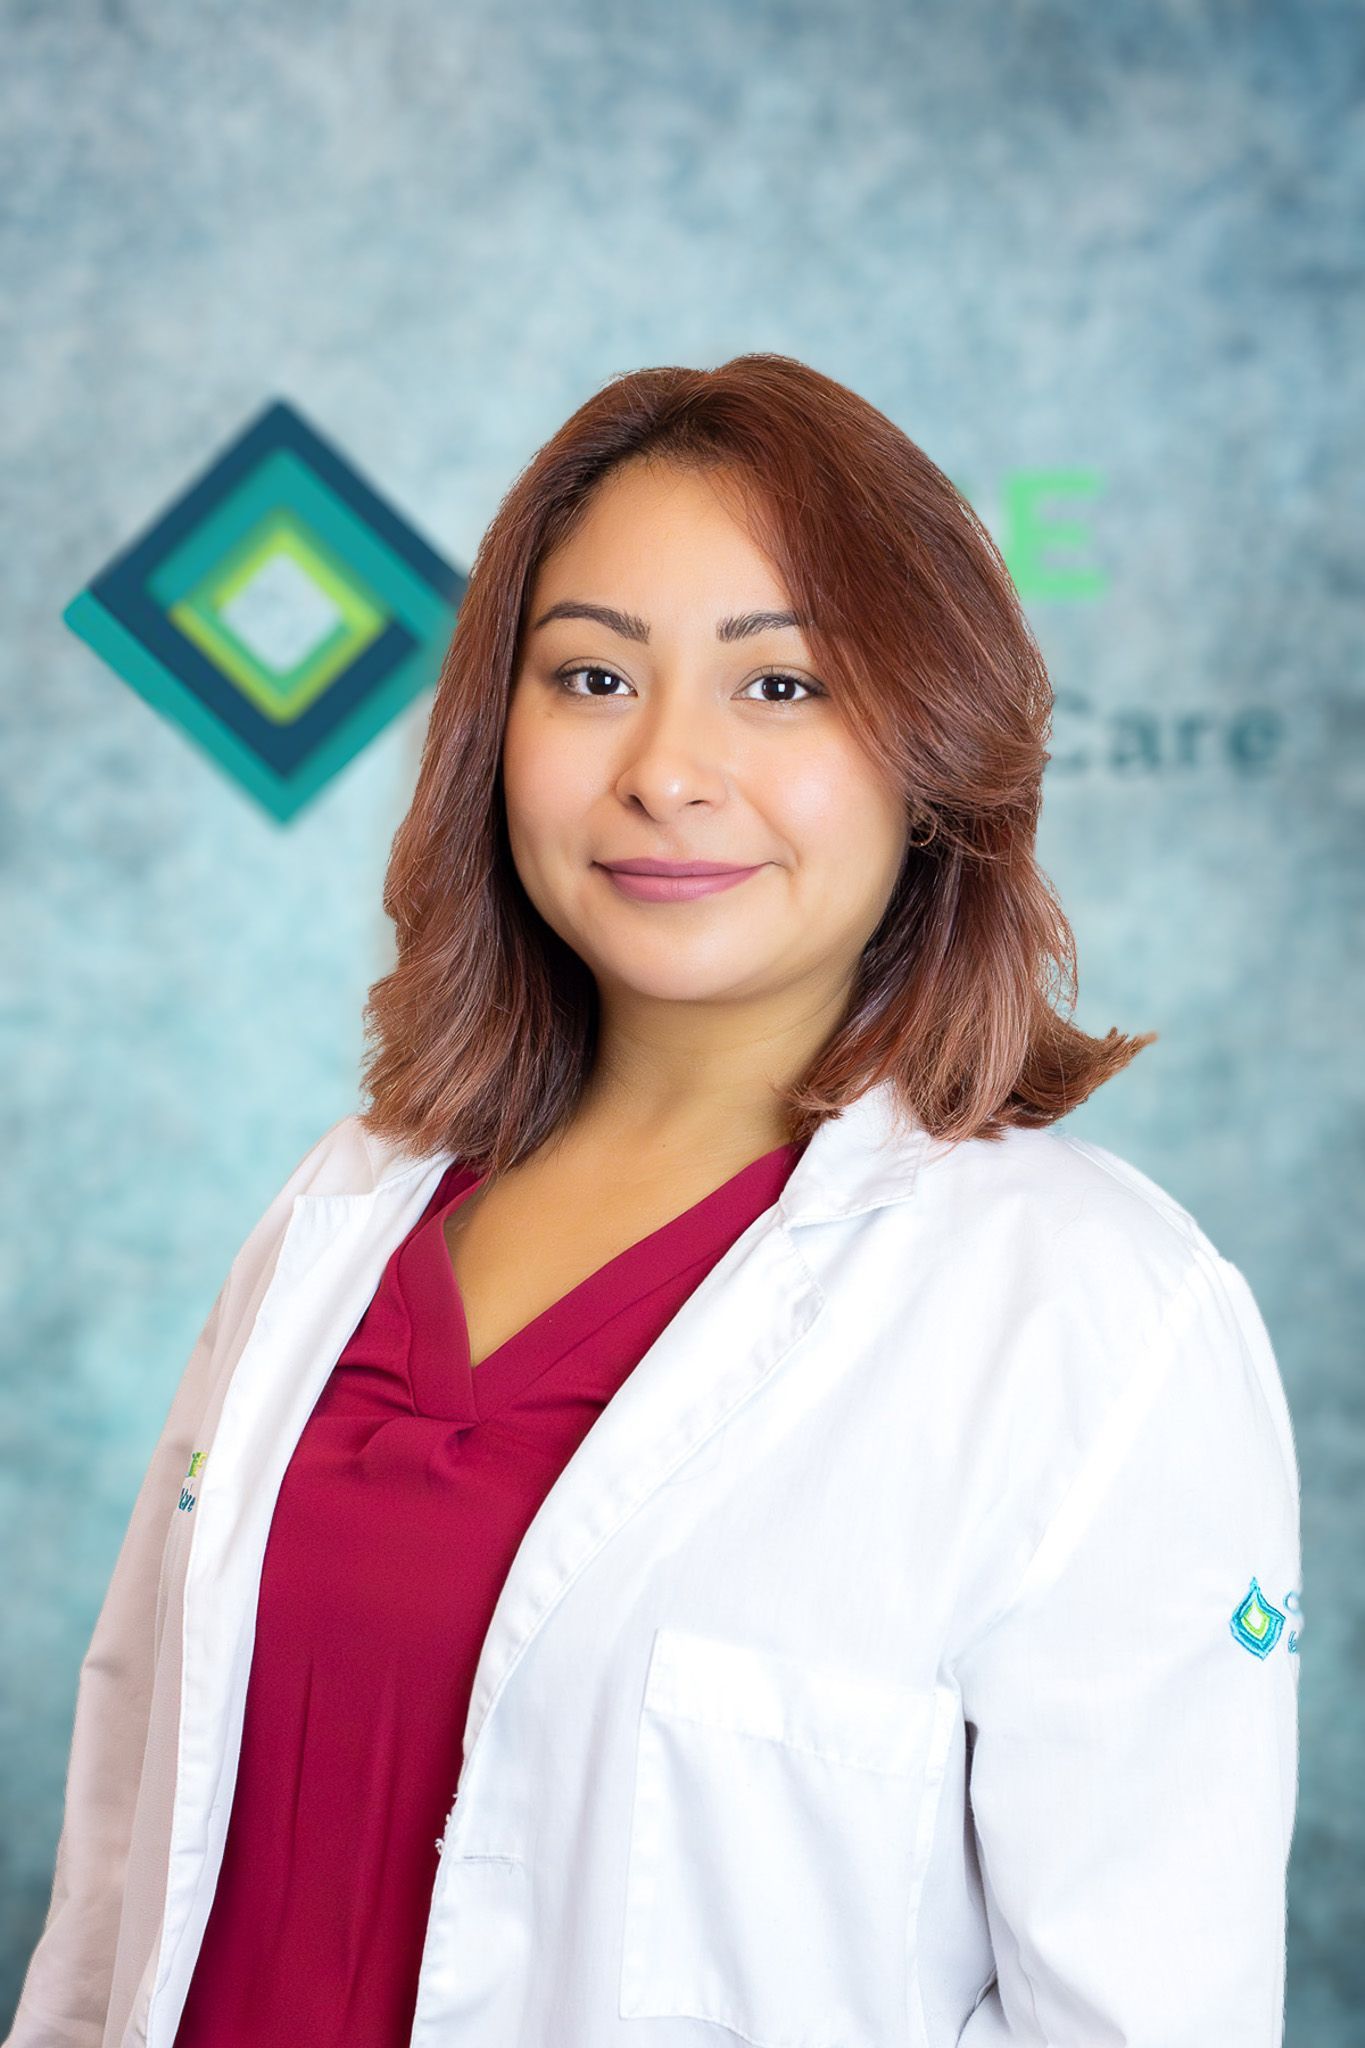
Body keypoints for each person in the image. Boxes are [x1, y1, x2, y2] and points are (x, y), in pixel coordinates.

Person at [6, 354, 1301, 2048]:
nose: (666, 773)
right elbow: (118, 1874)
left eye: (779, 689)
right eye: (592, 675)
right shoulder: (345, 1209)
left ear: (930, 753)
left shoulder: (1097, 1316)